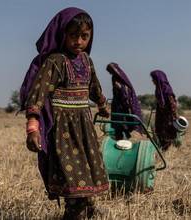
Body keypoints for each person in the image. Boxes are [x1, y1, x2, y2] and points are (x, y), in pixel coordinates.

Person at [19, 7, 109, 219]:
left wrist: (103, 105)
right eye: (73, 35)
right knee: (72, 179)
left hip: (85, 129)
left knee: (87, 177)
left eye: (84, 36)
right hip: (63, 132)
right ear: (63, 35)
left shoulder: (87, 61)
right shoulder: (56, 61)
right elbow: (37, 95)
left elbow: (94, 88)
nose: (78, 41)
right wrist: (33, 127)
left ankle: (86, 210)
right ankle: (74, 212)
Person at [106, 63, 143, 140]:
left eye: (111, 71)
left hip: (125, 107)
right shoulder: (114, 78)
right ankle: (119, 140)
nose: (110, 73)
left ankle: (128, 140)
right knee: (118, 127)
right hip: (117, 106)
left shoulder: (122, 78)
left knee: (125, 125)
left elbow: (127, 92)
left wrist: (120, 87)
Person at [150, 70, 178, 151]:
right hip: (161, 115)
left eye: (153, 79)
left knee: (166, 135)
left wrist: (175, 117)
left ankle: (165, 152)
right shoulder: (159, 89)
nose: (152, 81)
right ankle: (162, 151)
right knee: (160, 134)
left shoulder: (166, 90)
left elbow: (172, 105)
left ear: (158, 79)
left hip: (167, 116)